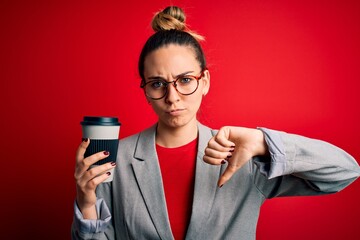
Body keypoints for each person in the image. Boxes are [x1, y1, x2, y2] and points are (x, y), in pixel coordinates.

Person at [71, 6, 360, 240]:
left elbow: (344, 171)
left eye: (185, 80)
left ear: (205, 81)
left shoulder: (243, 155)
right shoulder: (114, 160)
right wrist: (86, 203)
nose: (172, 97)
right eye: (158, 84)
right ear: (145, 90)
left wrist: (261, 142)